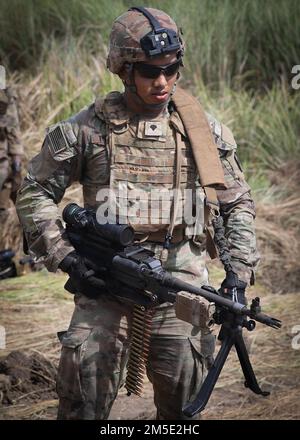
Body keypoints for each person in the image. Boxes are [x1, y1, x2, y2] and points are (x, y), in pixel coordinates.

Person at [16, 7, 259, 420]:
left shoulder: (201, 132)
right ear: (123, 70)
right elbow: (35, 190)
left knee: (183, 409)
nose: (162, 82)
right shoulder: (89, 129)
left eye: (171, 68)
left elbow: (236, 203)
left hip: (179, 285)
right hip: (105, 284)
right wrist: (65, 256)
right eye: (149, 71)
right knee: (82, 398)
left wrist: (237, 275)